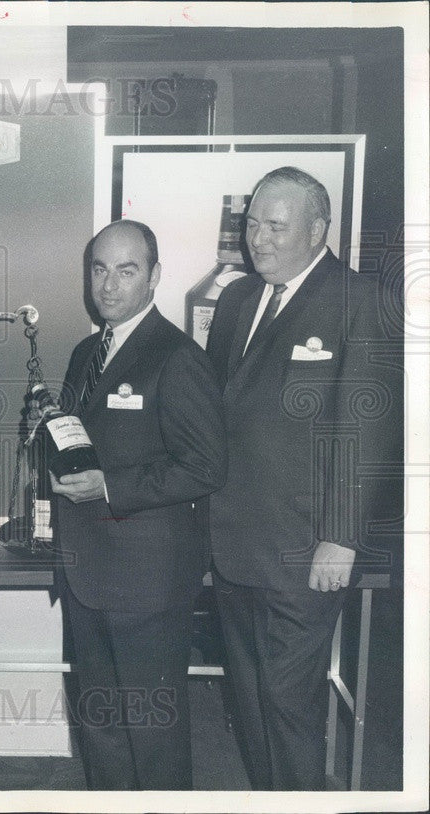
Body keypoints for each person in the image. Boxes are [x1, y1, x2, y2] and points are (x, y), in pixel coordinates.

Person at [205, 166, 400, 790]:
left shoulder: (358, 300)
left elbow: (367, 428)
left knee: (289, 705)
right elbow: (217, 413)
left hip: (305, 550)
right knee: (249, 701)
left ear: (319, 230)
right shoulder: (236, 299)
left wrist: (341, 537)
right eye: (253, 224)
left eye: (276, 227)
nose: (258, 239)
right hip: (233, 544)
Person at [51, 220, 226, 789]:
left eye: (126, 271)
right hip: (87, 573)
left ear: (153, 276)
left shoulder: (176, 356)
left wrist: (109, 485)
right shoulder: (86, 353)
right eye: (99, 269)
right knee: (100, 722)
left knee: (152, 731)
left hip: (148, 581)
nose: (108, 284)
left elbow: (205, 467)